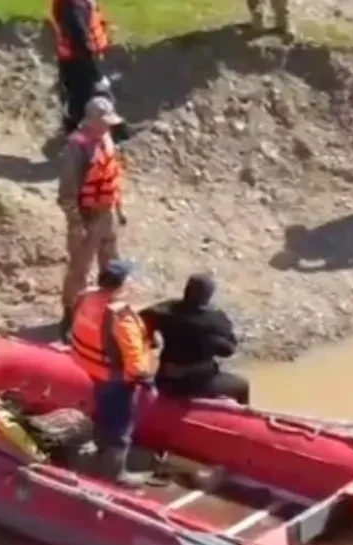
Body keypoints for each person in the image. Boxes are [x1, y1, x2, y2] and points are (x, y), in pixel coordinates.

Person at [67, 258, 157, 483]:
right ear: (122, 284)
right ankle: (116, 472)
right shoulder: (121, 317)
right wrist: (148, 381)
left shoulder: (85, 297)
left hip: (90, 368)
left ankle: (100, 450)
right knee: (120, 423)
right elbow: (136, 363)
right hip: (116, 378)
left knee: (103, 410)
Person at [58, 96, 128, 339]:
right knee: (80, 269)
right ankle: (70, 318)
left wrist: (119, 208)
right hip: (86, 216)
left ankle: (106, 314)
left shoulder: (106, 139)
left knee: (111, 265)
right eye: (104, 122)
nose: (109, 126)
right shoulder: (76, 147)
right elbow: (67, 192)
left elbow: (114, 174)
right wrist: (76, 223)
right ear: (92, 121)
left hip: (107, 212)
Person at [140, 274, 251, 405]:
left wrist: (150, 338)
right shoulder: (215, 320)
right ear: (208, 296)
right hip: (196, 383)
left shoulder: (165, 310)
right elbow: (228, 351)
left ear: (186, 290)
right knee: (243, 386)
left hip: (164, 378)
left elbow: (141, 318)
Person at [50, 0, 114, 136]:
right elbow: (79, 36)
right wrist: (94, 69)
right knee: (88, 99)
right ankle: (82, 138)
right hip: (79, 61)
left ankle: (76, 134)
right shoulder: (73, 5)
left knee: (80, 100)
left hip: (78, 59)